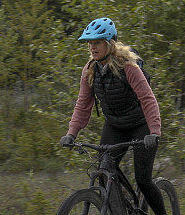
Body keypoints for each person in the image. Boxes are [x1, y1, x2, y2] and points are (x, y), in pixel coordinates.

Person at [59, 17, 167, 215]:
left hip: (141, 125)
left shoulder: (129, 67)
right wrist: (71, 133)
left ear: (110, 43)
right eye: (90, 43)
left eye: (97, 42)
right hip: (115, 125)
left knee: (143, 179)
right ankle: (120, 210)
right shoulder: (90, 70)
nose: (92, 47)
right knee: (104, 172)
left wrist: (154, 131)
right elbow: (83, 105)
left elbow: (148, 99)